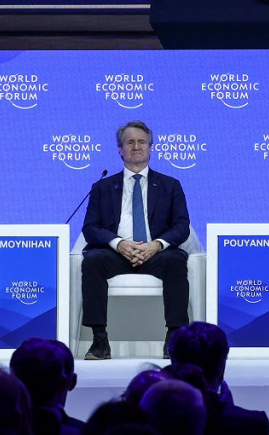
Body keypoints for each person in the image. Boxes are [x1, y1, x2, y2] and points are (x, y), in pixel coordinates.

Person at [80, 120, 191, 360]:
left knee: (175, 262)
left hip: (157, 253)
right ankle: (99, 340)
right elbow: (90, 228)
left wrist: (156, 245)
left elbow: (181, 226)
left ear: (151, 148)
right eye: (130, 142)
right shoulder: (103, 187)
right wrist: (119, 243)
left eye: (142, 142)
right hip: (116, 253)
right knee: (92, 262)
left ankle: (174, 337)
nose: (136, 146)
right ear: (120, 149)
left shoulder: (171, 185)